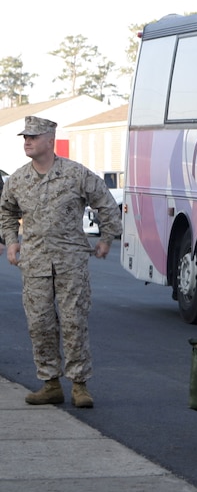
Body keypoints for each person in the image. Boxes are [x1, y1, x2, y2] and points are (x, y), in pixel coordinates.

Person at [1, 114, 122, 408]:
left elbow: (106, 203)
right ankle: (50, 383)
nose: (27, 142)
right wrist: (11, 242)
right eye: (25, 137)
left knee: (73, 322)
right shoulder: (17, 180)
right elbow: (5, 212)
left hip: (71, 263)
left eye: (33, 137)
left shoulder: (75, 174)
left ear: (49, 140)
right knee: (40, 324)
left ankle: (79, 385)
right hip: (35, 264)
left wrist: (106, 238)